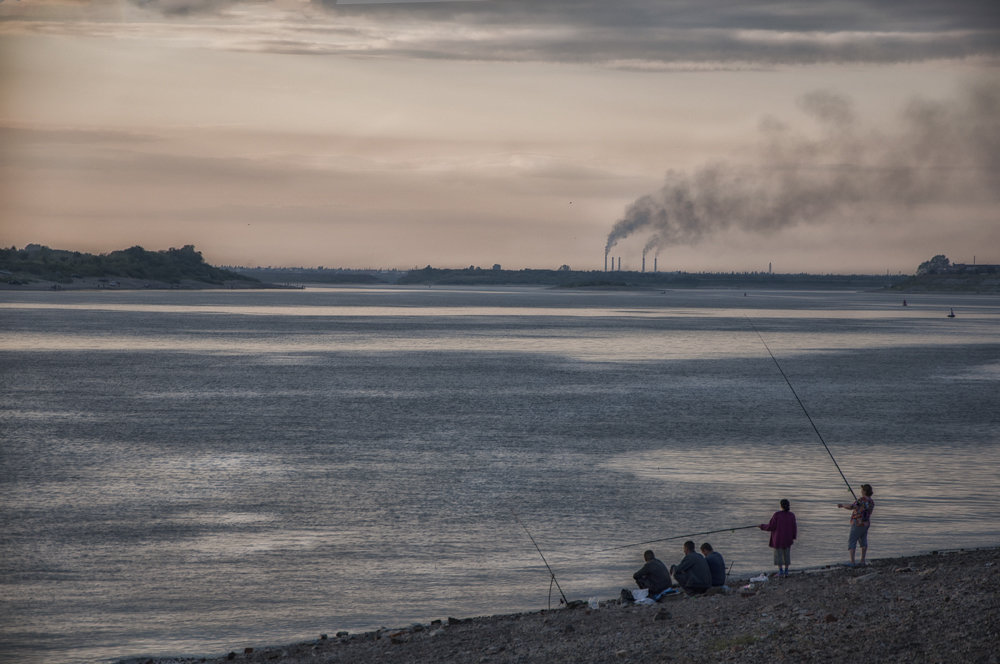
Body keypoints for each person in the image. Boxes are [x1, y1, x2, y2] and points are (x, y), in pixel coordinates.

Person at [838, 484, 875, 567]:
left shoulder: (862, 500)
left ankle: (852, 562)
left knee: (852, 541)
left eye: (862, 490)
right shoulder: (871, 502)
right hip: (866, 524)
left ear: (865, 491)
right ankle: (862, 561)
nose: (861, 491)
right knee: (863, 541)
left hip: (857, 523)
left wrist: (842, 505)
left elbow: (852, 507)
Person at [759, 498, 797, 577]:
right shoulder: (792, 515)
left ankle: (780, 572)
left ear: (781, 506)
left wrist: (762, 526)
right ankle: (786, 571)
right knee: (787, 555)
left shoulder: (777, 515)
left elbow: (771, 527)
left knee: (778, 556)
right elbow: (794, 527)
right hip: (788, 539)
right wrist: (793, 537)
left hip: (778, 539)